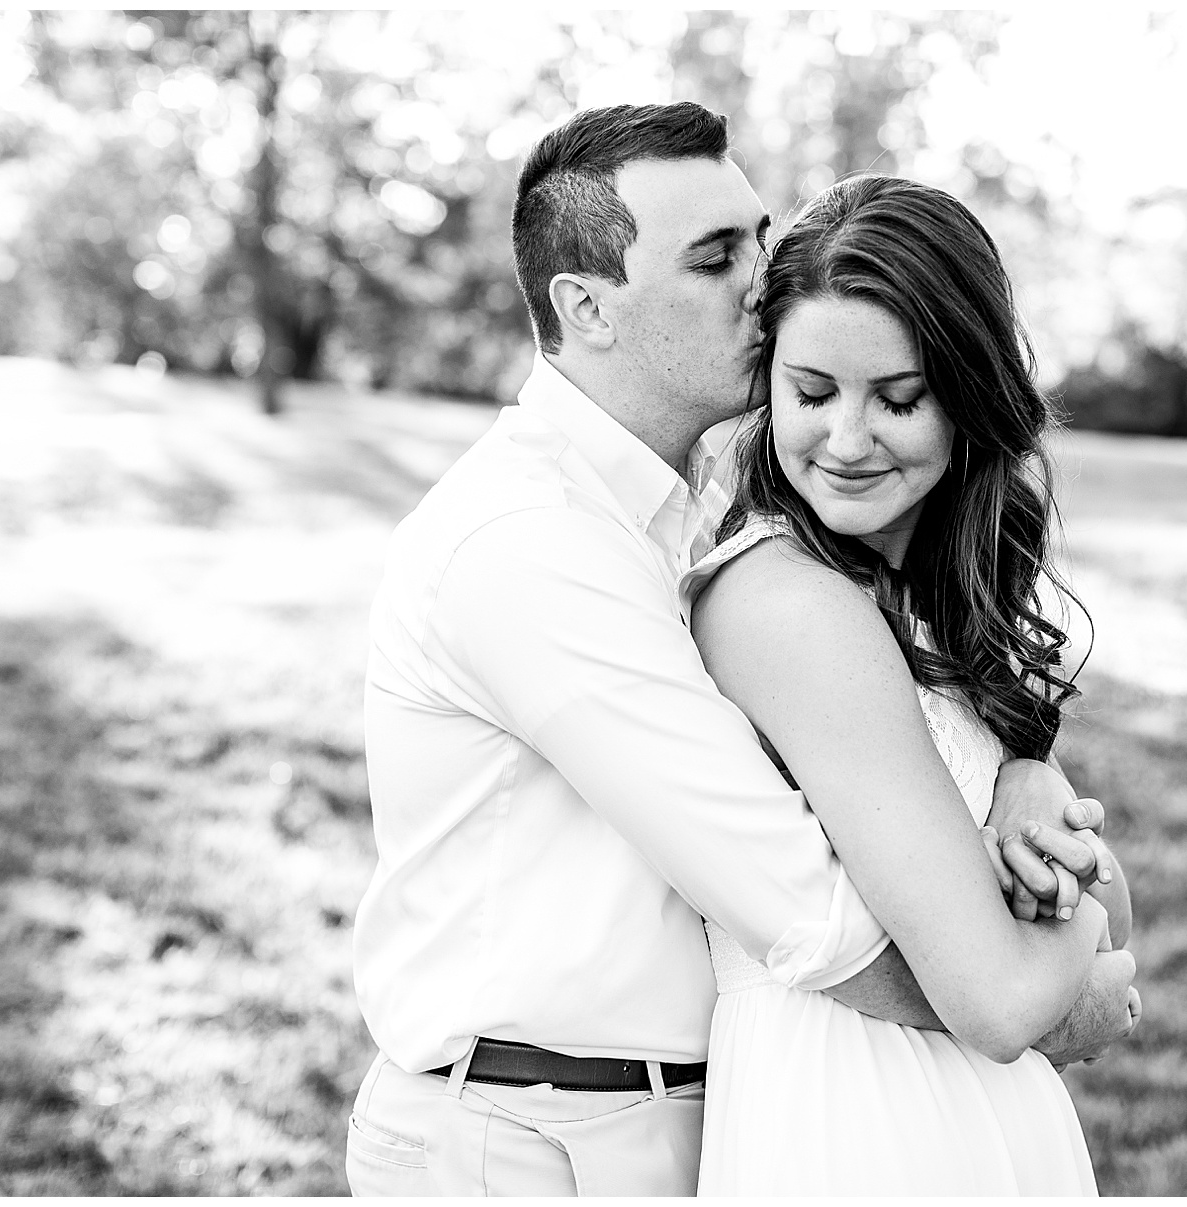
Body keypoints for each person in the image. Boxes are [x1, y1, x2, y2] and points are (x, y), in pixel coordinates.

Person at [345, 102, 1136, 1197]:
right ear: (586, 305)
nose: (761, 283)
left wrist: (1027, 779)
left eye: (759, 239)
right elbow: (812, 913)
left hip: (674, 1112)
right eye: (716, 257)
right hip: (528, 1134)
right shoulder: (530, 543)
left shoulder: (688, 511)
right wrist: (1064, 986)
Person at [685, 174, 1132, 1194]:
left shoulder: (924, 597)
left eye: (897, 399)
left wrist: (1032, 778)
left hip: (982, 1118)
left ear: (969, 394)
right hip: (858, 1124)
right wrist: (1083, 939)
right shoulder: (787, 607)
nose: (844, 442)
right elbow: (1000, 999)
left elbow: (1108, 911)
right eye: (810, 394)